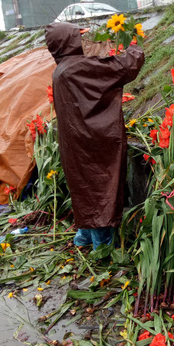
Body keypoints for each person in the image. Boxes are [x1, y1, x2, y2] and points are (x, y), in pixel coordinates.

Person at [44, 22, 145, 249]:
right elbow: (123, 67)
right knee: (100, 187)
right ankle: (102, 247)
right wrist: (133, 46)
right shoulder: (78, 68)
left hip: (75, 143)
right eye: (77, 38)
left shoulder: (61, 70)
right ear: (68, 42)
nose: (82, 41)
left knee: (84, 187)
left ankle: (85, 236)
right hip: (93, 140)